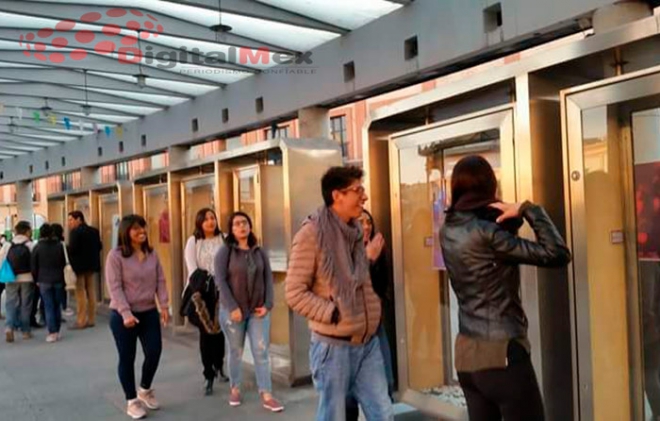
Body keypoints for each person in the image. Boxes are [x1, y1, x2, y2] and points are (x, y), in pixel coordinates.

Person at [440, 155, 571, 421]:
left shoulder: (448, 229)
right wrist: (528, 209)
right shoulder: (487, 233)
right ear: (490, 186)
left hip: (467, 356)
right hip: (502, 354)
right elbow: (557, 253)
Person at [285, 166, 393, 421]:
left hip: (368, 344)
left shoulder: (355, 231)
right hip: (333, 349)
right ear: (337, 195)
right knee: (334, 416)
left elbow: (356, 279)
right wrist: (332, 312)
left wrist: (369, 261)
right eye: (358, 190)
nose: (364, 197)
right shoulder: (311, 234)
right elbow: (294, 293)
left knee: (384, 413)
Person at [214, 211, 283, 413]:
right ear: (231, 229)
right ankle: (235, 388)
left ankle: (267, 393)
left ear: (250, 226)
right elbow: (220, 281)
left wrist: (268, 304)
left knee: (261, 351)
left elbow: (268, 280)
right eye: (236, 224)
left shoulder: (259, 251)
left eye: (245, 223)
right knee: (236, 351)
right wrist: (233, 307)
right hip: (233, 312)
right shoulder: (225, 252)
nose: (242, 226)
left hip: (257, 311)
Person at [106, 215, 169, 420]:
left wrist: (164, 305)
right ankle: (132, 400)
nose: (141, 231)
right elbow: (115, 287)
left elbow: (160, 280)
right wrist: (125, 313)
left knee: (154, 351)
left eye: (143, 227)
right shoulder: (115, 256)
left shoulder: (152, 253)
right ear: (126, 232)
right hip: (123, 315)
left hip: (149, 311)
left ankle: (145, 389)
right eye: (136, 228)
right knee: (127, 357)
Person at [346, 209, 395, 421]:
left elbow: (383, 285)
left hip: (374, 327)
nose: (366, 227)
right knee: (346, 398)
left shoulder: (378, 249)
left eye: (368, 222)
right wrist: (366, 258)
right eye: (360, 222)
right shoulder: (342, 252)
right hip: (348, 331)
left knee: (385, 383)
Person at [181, 207, 228, 396]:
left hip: (222, 291)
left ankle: (220, 365)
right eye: (206, 219)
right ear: (199, 222)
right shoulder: (193, 241)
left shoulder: (224, 238)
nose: (210, 222)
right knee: (206, 334)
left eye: (213, 218)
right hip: (201, 294)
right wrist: (208, 281)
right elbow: (192, 269)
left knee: (221, 332)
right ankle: (208, 373)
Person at [31, 223, 66, 343]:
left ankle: (52, 332)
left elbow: (34, 266)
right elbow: (62, 262)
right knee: (57, 305)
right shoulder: (59, 246)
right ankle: (57, 329)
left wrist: (36, 279)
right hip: (58, 279)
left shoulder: (37, 247)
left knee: (48, 306)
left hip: (43, 280)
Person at [1, 221, 36, 343]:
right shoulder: (31, 245)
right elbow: (35, 262)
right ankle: (25, 331)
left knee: (10, 303)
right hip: (27, 277)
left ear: (15, 231)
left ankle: (9, 327)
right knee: (26, 304)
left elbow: (1, 261)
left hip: (11, 277)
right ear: (27, 231)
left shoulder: (7, 245)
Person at [67, 210, 102, 330]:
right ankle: (91, 319)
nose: (69, 223)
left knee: (80, 292)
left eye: (71, 220)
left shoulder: (75, 232)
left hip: (79, 267)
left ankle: (81, 320)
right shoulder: (94, 231)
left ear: (79, 219)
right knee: (91, 291)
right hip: (92, 265)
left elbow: (72, 249)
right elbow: (99, 246)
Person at [51, 224, 73, 318]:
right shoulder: (62, 244)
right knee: (61, 292)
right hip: (61, 272)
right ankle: (62, 308)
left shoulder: (45, 244)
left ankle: (51, 314)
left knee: (49, 297)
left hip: (46, 275)